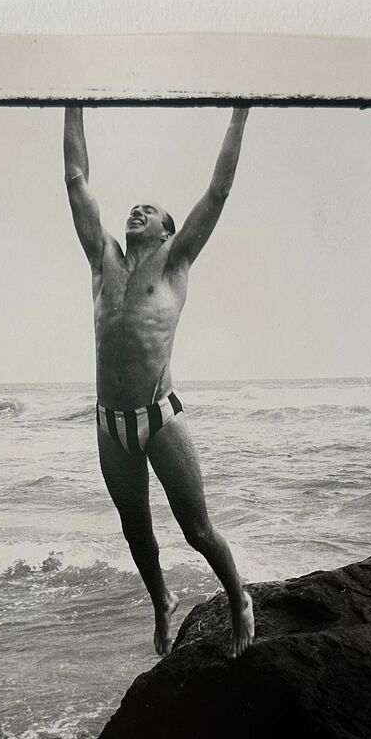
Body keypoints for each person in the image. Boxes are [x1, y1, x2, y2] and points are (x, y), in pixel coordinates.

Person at [62, 104, 256, 657]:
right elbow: (76, 181)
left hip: (158, 415)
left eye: (150, 209)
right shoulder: (104, 262)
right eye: (133, 207)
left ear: (168, 230)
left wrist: (240, 113)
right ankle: (161, 601)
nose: (137, 209)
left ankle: (239, 598)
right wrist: (72, 103)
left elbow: (216, 193)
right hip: (109, 425)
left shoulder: (175, 262)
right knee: (135, 532)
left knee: (196, 529)